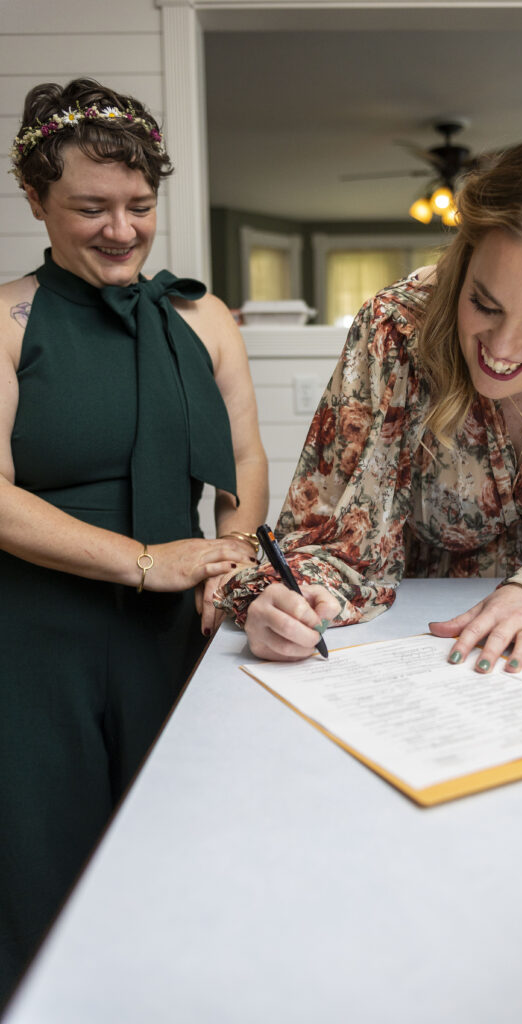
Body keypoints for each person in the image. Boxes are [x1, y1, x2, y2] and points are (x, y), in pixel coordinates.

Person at [217, 126, 522, 668]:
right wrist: (290, 601)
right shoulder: (395, 330)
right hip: (423, 656)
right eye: (483, 303)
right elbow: (334, 537)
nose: (501, 350)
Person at [0, 78, 267, 1003]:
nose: (121, 230)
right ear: (36, 201)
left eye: (139, 206)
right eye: (90, 208)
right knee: (45, 859)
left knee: (186, 844)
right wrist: (146, 562)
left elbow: (241, 458)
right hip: (35, 643)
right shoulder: (7, 322)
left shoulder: (204, 317)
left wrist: (227, 570)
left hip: (180, 636)